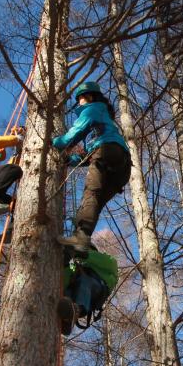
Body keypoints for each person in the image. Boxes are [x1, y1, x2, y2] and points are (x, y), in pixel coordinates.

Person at [52, 82, 131, 253]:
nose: (78, 102)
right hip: (121, 166)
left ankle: (81, 237)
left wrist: (54, 142)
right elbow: (90, 156)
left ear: (88, 96)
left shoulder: (93, 108)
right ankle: (81, 238)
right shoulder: (103, 121)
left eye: (79, 98)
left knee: (91, 193)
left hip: (107, 151)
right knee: (96, 201)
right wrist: (69, 160)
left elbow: (75, 133)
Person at [56, 247, 119, 335]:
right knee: (69, 290)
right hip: (78, 288)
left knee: (84, 281)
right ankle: (67, 318)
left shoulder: (104, 263)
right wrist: (68, 262)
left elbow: (110, 263)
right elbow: (72, 269)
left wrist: (84, 254)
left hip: (97, 288)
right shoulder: (79, 266)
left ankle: (77, 309)